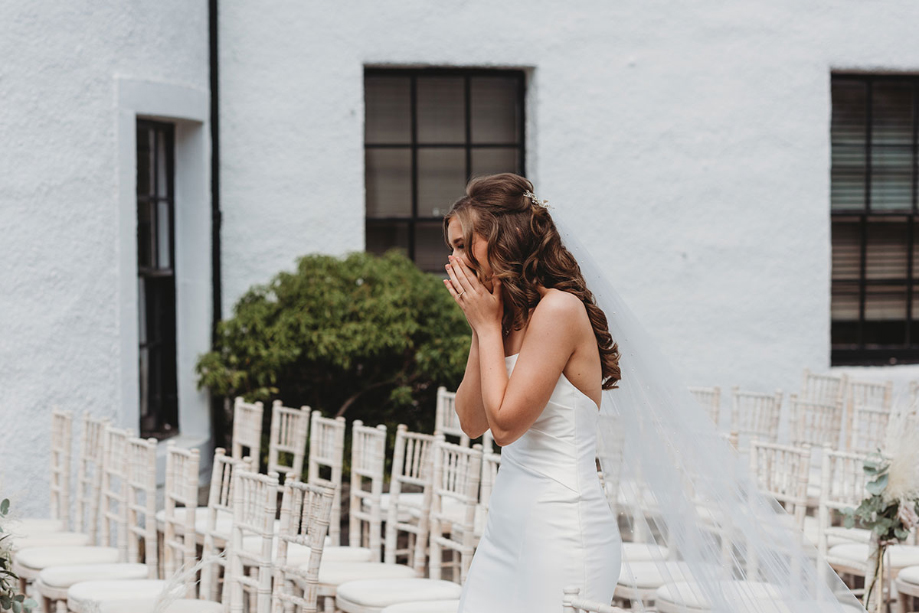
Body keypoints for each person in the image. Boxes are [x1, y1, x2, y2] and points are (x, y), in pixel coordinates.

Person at [441, 172, 622, 611]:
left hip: (559, 528)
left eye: (464, 244)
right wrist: (484, 324)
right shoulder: (503, 318)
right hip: (505, 528)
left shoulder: (559, 309)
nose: (455, 259)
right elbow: (470, 421)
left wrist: (486, 327)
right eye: (452, 247)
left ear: (502, 238)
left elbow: (505, 427)